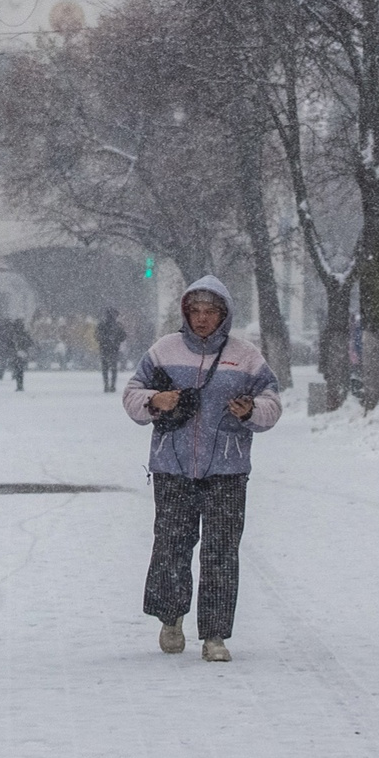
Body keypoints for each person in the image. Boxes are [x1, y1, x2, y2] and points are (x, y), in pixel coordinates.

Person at [123, 278, 281, 663]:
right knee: (172, 545)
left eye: (210, 312)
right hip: (172, 466)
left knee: (221, 551)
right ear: (185, 313)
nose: (202, 319)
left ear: (223, 315)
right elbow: (132, 394)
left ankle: (214, 635)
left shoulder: (245, 356)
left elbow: (272, 401)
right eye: (195, 311)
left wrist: (251, 412)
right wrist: (154, 399)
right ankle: (171, 617)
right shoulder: (164, 350)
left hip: (227, 468)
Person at [97, 307, 128, 393]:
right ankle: (112, 385)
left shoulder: (101, 325)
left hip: (104, 349)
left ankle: (107, 385)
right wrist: (116, 341)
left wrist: (104, 341)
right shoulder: (118, 325)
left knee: (105, 368)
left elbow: (97, 336)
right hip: (114, 349)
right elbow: (123, 336)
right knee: (113, 368)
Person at [6, 316, 31, 391]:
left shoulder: (13, 333)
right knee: (20, 369)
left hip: (15, 352)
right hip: (22, 352)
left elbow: (9, 343)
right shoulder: (24, 333)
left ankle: (19, 384)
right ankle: (20, 384)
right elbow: (30, 342)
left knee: (17, 368)